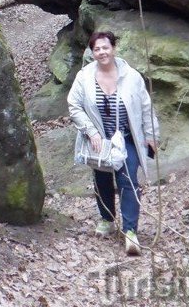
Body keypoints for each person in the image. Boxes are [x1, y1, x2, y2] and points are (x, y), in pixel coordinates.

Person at [67, 30, 158, 256]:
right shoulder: (84, 77)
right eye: (97, 49)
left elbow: (146, 107)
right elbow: (74, 105)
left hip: (126, 136)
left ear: (113, 48)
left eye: (105, 47)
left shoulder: (131, 76)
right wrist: (91, 132)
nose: (102, 52)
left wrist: (151, 134)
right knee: (102, 178)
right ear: (92, 52)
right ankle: (107, 219)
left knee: (128, 178)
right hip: (99, 139)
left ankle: (130, 232)